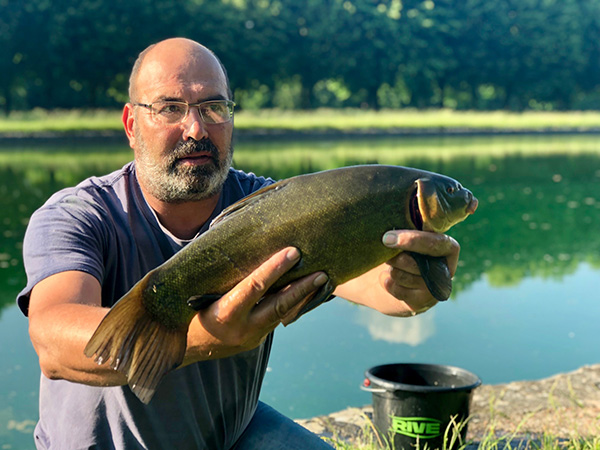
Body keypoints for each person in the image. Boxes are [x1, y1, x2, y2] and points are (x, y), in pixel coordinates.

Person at [17, 38, 460, 450]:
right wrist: (200, 338)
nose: (196, 128)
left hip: (232, 433)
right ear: (132, 124)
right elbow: (54, 340)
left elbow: (377, 287)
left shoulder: (274, 204)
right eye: (170, 108)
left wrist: (409, 284)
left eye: (213, 107)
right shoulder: (79, 214)